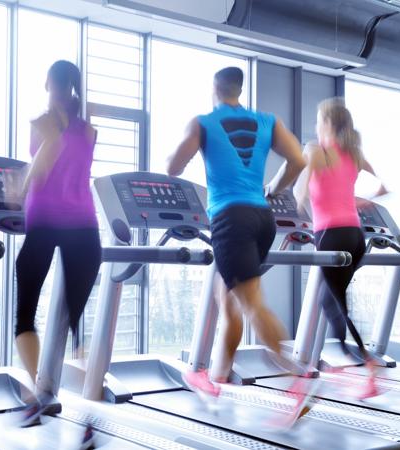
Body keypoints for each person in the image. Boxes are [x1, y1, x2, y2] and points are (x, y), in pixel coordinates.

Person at [166, 66, 313, 425]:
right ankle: (215, 377)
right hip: (263, 218)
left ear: (215, 88)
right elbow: (298, 160)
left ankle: (297, 376)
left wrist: (190, 156)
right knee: (227, 300)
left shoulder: (203, 122)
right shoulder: (268, 121)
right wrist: (274, 188)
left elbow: (172, 166)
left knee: (251, 304)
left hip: (230, 218)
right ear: (240, 88)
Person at [13, 60, 101, 446]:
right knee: (74, 321)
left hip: (45, 221)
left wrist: (19, 187)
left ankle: (38, 394)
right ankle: (89, 409)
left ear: (49, 82)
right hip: (86, 228)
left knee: (25, 315)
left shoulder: (43, 122)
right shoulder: (90, 129)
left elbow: (47, 160)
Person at [293, 97, 386, 400]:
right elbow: (382, 187)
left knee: (335, 302)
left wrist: (302, 208)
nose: (316, 126)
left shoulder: (316, 152)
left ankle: (365, 363)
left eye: (319, 120)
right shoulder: (353, 154)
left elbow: (298, 191)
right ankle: (343, 362)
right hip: (355, 235)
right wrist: (357, 202)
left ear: (328, 124)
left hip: (331, 234)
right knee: (329, 299)